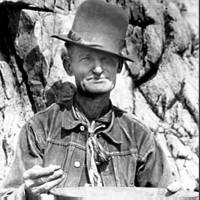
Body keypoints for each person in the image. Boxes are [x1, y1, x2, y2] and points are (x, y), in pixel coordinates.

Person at [0, 0, 177, 199]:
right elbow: (8, 196)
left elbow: (165, 193)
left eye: (107, 59)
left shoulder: (139, 137)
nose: (99, 69)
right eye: (86, 59)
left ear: (118, 67)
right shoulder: (39, 129)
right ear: (68, 65)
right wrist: (27, 193)